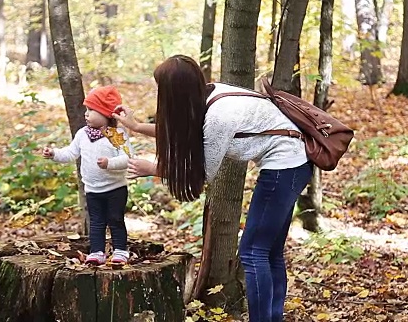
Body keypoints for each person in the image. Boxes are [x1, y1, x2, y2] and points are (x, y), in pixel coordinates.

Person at [112, 55, 312, 322]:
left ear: (176, 91)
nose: (157, 93)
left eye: (160, 88)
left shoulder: (219, 116)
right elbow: (187, 130)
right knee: (268, 251)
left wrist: (153, 168)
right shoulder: (211, 94)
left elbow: (205, 171)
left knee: (253, 252)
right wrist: (136, 127)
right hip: (294, 163)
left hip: (285, 167)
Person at [42, 85, 134, 265]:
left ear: (106, 113)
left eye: (91, 110)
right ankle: (97, 251)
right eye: (86, 109)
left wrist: (110, 163)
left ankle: (120, 250)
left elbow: (128, 158)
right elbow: (70, 153)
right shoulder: (82, 135)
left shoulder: (116, 134)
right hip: (92, 190)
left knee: (115, 219)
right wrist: (54, 154)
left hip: (115, 188)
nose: (86, 114)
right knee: (97, 222)